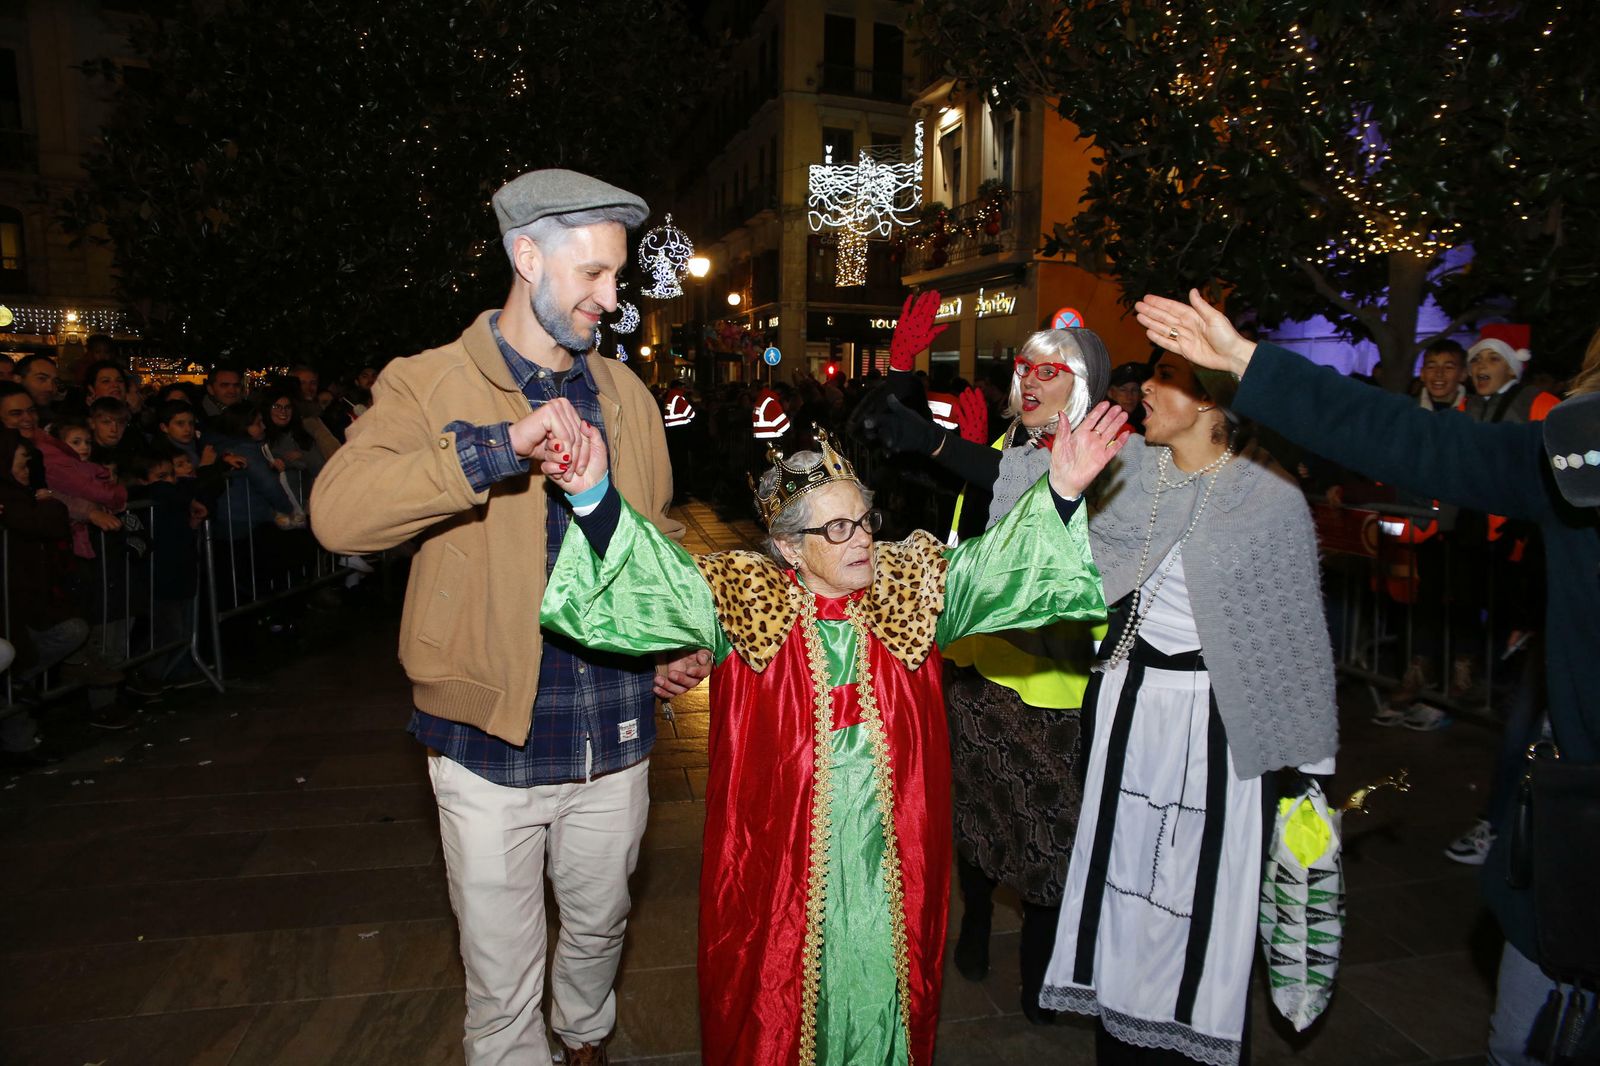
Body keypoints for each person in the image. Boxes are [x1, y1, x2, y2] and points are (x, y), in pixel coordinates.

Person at [540, 398, 1125, 1065]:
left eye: (865, 520)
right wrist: (593, 497)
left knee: (884, 990)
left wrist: (1061, 491)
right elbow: (653, 581)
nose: (862, 540)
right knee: (776, 996)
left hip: (892, 859)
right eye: (837, 528)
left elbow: (997, 570)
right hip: (778, 866)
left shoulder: (913, 587)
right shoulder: (744, 596)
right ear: (789, 546)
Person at [1135, 289, 1600, 1066]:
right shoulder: (1580, 448)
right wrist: (1250, 361)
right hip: (1581, 848)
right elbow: (1416, 442)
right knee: (1527, 1042)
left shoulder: (1261, 501)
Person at [311, 169, 700, 1066]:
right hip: (488, 738)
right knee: (500, 972)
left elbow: (660, 535)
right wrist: (493, 450)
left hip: (617, 729)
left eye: (616, 275)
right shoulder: (427, 382)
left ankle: (585, 1036)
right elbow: (339, 514)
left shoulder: (627, 394)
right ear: (527, 256)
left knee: (601, 927)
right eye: (593, 273)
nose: (613, 297)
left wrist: (670, 639)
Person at [1035, 347, 1338, 1064]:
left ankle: (1189, 1037)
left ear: (1210, 400)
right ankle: (1119, 1039)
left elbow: (1296, 645)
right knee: (1119, 884)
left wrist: (1307, 776)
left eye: (1166, 376)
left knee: (1199, 898)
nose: (1145, 387)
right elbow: (1042, 517)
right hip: (1129, 709)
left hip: (1217, 727)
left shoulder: (1268, 501)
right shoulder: (1134, 473)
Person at [853, 305, 1114, 1022]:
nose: (1031, 380)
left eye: (1051, 370)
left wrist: (945, 445)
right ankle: (973, 921)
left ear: (1084, 384)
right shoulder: (1003, 442)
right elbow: (893, 447)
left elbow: (1035, 486)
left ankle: (1039, 976)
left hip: (1050, 685)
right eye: (1025, 367)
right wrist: (900, 376)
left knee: (1048, 835)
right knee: (975, 816)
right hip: (974, 670)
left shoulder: (1099, 455)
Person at [1418, 339, 1469, 412]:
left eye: (1448, 367)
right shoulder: (1407, 410)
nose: (1439, 373)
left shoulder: (1478, 410)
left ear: (1463, 374)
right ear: (1422, 373)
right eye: (1431, 367)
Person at [1107, 360, 1152, 434]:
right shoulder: (1106, 422)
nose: (1129, 396)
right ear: (1111, 393)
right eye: (1123, 390)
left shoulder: (1146, 422)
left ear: (1140, 395)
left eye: (1134, 390)